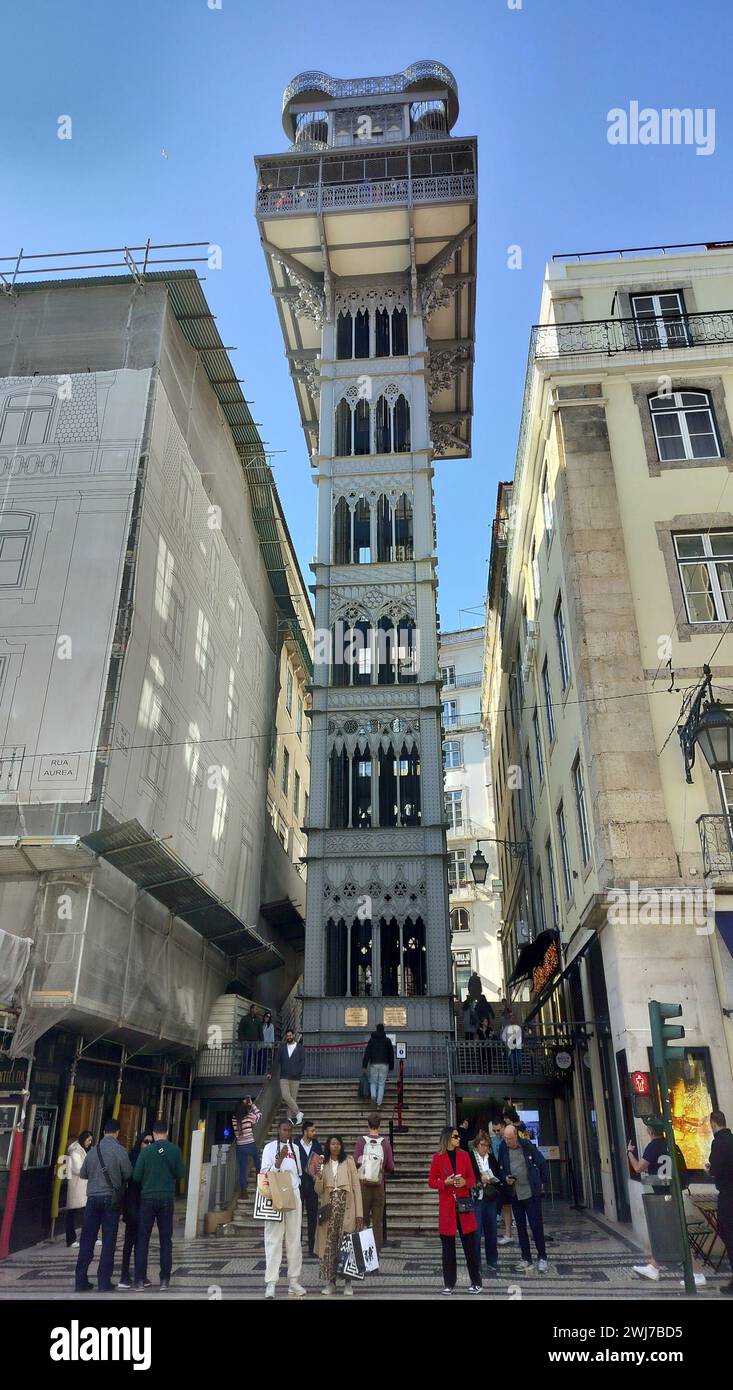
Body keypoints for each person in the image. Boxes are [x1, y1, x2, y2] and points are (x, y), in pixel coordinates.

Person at [629, 1119, 706, 1286]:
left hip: (663, 1197)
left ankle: (697, 1273)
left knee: (677, 1234)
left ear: (650, 1131)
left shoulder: (653, 1146)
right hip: (674, 1194)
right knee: (665, 1231)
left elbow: (638, 1168)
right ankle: (654, 1267)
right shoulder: (671, 1144)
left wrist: (629, 1153)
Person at [74, 1118, 132, 1293]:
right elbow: (128, 1173)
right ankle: (104, 1281)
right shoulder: (120, 1150)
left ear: (104, 1132)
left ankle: (81, 1280)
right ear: (117, 1132)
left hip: (92, 1200)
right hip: (110, 1200)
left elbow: (83, 1174)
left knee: (87, 1240)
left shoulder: (93, 1151)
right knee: (108, 1241)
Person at [428, 1125, 483, 1294]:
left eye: (458, 1136)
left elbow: (473, 1178)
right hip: (447, 1209)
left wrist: (465, 1182)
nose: (459, 1139)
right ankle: (449, 1284)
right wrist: (444, 1183)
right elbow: (431, 1181)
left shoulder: (465, 1156)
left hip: (464, 1207)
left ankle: (476, 1282)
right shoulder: (438, 1158)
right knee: (448, 1250)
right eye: (456, 1136)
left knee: (470, 1247)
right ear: (447, 1139)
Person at [133, 1119, 185, 1291]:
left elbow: (136, 1176)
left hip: (147, 1199)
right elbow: (180, 1173)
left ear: (154, 1134)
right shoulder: (175, 1150)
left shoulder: (146, 1151)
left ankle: (140, 1279)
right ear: (167, 1133)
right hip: (166, 1199)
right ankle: (164, 1280)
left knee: (143, 1239)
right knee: (165, 1240)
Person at [260, 1119, 307, 1299]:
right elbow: (264, 1172)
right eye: (284, 1130)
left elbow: (299, 1173)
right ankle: (271, 1283)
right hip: (275, 1193)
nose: (286, 1133)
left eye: (289, 1130)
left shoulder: (295, 1149)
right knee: (273, 1238)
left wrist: (297, 1187)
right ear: (278, 1130)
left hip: (293, 1193)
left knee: (294, 1238)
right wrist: (277, 1163)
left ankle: (293, 1281)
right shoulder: (270, 1148)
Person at [313, 1135, 363, 1295]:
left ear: (341, 1146)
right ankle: (331, 1282)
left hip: (346, 1208)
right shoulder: (323, 1163)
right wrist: (319, 1177)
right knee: (330, 1246)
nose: (335, 1146)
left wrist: (359, 1213)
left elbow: (356, 1188)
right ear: (328, 1146)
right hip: (329, 1210)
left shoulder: (348, 1161)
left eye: (338, 1144)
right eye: (332, 1144)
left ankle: (348, 1283)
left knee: (347, 1244)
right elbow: (318, 1191)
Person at [498, 1122, 548, 1273]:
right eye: (505, 1138)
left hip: (530, 1193)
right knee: (520, 1227)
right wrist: (505, 1177)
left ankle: (542, 1257)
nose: (507, 1141)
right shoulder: (502, 1147)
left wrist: (542, 1184)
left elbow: (542, 1163)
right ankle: (526, 1257)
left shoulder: (527, 1146)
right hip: (515, 1194)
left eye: (509, 1138)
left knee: (536, 1225)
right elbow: (500, 1168)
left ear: (516, 1136)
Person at [354, 1111, 395, 1256]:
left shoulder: (361, 1141)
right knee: (377, 1224)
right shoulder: (385, 1143)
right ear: (380, 1124)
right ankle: (375, 1257)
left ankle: (363, 1255)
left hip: (363, 1187)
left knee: (363, 1221)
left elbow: (355, 1162)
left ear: (368, 1124)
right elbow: (390, 1166)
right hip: (378, 1187)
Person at [118, 1132, 153, 1290]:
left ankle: (141, 1275)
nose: (149, 1145)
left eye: (151, 1142)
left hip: (145, 1203)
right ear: (140, 1142)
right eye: (146, 1142)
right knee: (130, 1241)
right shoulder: (133, 1157)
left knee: (142, 1242)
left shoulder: (152, 1158)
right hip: (133, 1203)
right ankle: (125, 1275)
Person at [469, 1129, 502, 1276]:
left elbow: (498, 1174)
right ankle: (476, 1263)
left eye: (487, 1146)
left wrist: (494, 1180)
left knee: (492, 1231)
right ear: (477, 1145)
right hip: (477, 1199)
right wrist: (478, 1180)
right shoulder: (470, 1158)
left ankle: (492, 1261)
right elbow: (468, 1175)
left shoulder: (491, 1158)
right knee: (476, 1233)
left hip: (490, 1199)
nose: (485, 1148)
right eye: (482, 1145)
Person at [708, 1109, 733, 1295]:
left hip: (727, 1196)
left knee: (728, 1235)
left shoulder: (718, 1143)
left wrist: (709, 1169)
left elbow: (715, 1169)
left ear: (713, 1124)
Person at [296, 1119, 323, 1259]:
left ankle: (312, 1247)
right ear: (305, 1131)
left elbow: (322, 1163)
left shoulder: (317, 1145)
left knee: (313, 1217)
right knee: (297, 1217)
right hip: (299, 1186)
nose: (314, 1132)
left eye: (315, 1130)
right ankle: (297, 1247)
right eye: (312, 1130)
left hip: (312, 1186)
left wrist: (319, 1172)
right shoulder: (295, 1144)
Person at [268, 1026, 305, 1125]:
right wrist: (271, 1072)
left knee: (292, 1098)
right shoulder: (282, 1048)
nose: (289, 1037)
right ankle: (298, 1113)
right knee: (285, 1096)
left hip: (295, 1077)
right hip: (284, 1076)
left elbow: (302, 1062)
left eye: (290, 1035)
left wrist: (298, 1072)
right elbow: (276, 1061)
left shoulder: (300, 1048)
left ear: (293, 1036)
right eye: (287, 1036)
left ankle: (289, 1118)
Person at [65, 1130, 92, 1247]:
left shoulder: (81, 1150)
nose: (90, 1143)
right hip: (77, 1186)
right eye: (89, 1140)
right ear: (83, 1139)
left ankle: (90, 1236)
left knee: (87, 1213)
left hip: (82, 1187)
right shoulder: (75, 1151)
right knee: (72, 1214)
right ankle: (71, 1239)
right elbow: (78, 1169)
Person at [232, 1097, 261, 1198]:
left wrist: (245, 1104)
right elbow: (259, 1115)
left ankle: (243, 1191)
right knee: (258, 1163)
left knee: (242, 1169)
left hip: (240, 1146)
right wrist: (252, 1105)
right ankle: (259, 1181)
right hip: (250, 1144)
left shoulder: (234, 1119)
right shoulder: (249, 1117)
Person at [491, 1119, 514, 1244]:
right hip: (502, 1177)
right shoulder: (495, 1141)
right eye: (494, 1130)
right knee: (505, 1205)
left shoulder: (510, 1141)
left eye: (498, 1130)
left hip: (513, 1176)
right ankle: (508, 1233)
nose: (496, 1132)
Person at [362, 1022, 394, 1108]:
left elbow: (367, 1053)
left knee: (373, 1083)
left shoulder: (372, 1040)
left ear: (376, 1029)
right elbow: (391, 1054)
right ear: (383, 1030)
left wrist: (364, 1065)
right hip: (384, 1064)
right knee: (381, 1084)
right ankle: (379, 1104)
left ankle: (373, 1101)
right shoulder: (387, 1040)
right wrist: (391, 1066)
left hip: (373, 1064)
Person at [238, 1003, 263, 1075]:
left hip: (254, 1043)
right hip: (246, 1043)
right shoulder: (245, 1018)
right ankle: (242, 1074)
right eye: (256, 1009)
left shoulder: (258, 1020)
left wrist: (261, 1042)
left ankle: (247, 1074)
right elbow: (240, 1030)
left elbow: (260, 1032)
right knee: (245, 1058)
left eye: (257, 1009)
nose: (257, 1011)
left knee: (250, 1059)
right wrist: (243, 1040)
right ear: (251, 1009)